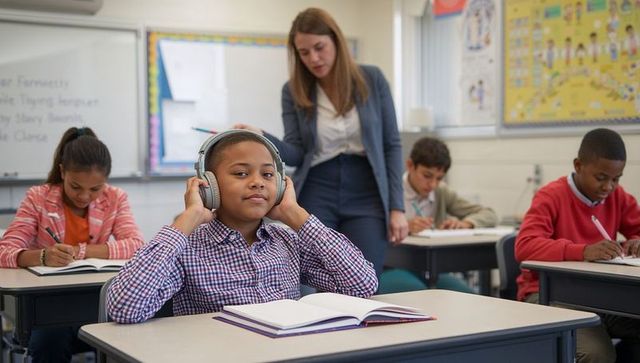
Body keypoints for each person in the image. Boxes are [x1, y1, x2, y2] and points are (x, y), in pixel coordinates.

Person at [106, 130, 378, 324]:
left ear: (282, 184)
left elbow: (362, 285)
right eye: (241, 173)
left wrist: (295, 214)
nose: (258, 182)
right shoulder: (188, 249)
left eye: (268, 175)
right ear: (208, 184)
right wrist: (188, 218)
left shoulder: (287, 242)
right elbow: (125, 308)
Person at [234, 8, 408, 277]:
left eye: (319, 47)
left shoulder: (372, 79)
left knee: (363, 278)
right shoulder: (293, 91)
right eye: (304, 53)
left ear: (336, 41)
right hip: (318, 187)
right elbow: (295, 153)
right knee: (312, 278)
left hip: (367, 190)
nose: (314, 58)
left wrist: (397, 207)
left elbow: (391, 145)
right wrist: (262, 137)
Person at [0, 126, 144, 363]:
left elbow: (137, 245)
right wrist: (43, 256)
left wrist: (80, 251)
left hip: (95, 298)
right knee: (49, 343)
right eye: (76, 186)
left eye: (95, 189)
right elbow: (5, 251)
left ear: (105, 181)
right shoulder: (39, 198)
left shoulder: (115, 198)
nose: (85, 197)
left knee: (130, 334)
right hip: (47, 304)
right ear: (62, 172)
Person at [515, 128, 640, 363]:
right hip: (547, 294)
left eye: (616, 179)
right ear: (578, 165)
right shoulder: (551, 196)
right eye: (601, 178)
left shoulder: (617, 197)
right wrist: (583, 251)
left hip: (599, 293)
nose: (608, 187)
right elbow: (525, 246)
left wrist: (636, 241)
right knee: (597, 354)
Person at [379, 137, 498, 294]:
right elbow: (371, 231)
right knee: (420, 295)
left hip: (431, 269)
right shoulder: (389, 191)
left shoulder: (441, 192)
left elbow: (490, 214)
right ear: (410, 165)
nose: (433, 184)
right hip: (391, 266)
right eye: (427, 176)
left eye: (439, 178)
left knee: (467, 295)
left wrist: (467, 223)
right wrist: (405, 226)